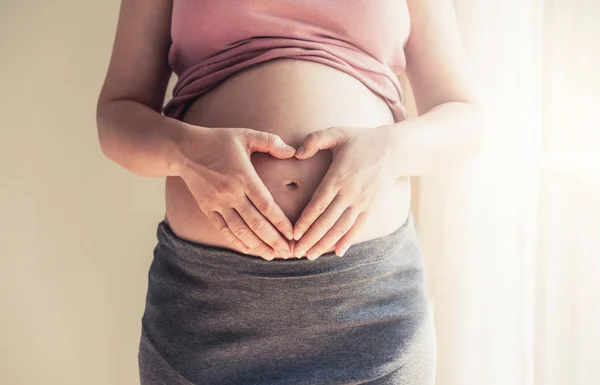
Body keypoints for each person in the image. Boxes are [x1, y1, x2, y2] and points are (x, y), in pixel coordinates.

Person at [96, 0, 481, 384]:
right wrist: (187, 153)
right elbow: (118, 116)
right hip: (210, 306)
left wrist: (389, 151)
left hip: (370, 305)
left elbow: (463, 117)